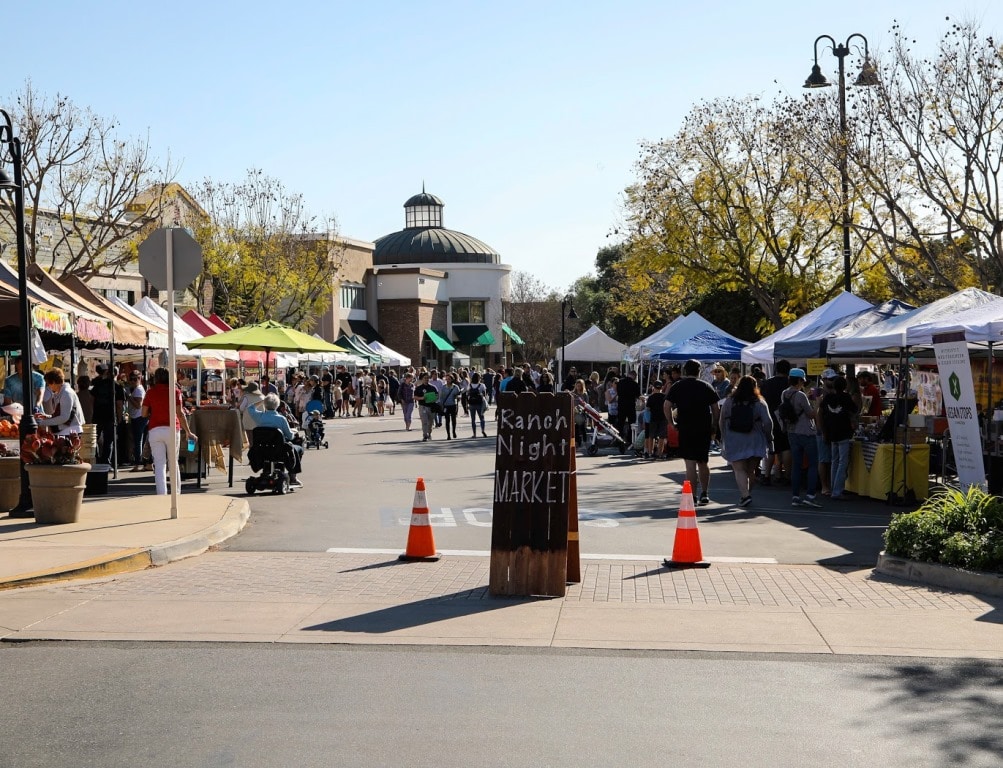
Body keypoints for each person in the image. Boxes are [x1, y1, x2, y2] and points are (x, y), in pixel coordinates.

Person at [666, 359, 720, 505]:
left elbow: (667, 405)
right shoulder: (706, 386)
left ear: (685, 371)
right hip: (703, 427)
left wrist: (672, 422)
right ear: (699, 371)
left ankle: (692, 495)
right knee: (703, 461)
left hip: (685, 427)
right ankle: (704, 493)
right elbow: (715, 407)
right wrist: (714, 424)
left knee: (690, 464)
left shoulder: (677, 386)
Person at [719, 375, 773, 507]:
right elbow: (767, 422)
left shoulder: (730, 401)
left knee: (739, 469)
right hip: (755, 440)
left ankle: (745, 495)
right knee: (751, 471)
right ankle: (747, 493)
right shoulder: (759, 402)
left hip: (735, 439)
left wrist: (723, 436)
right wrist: (769, 437)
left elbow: (722, 420)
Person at [141, 367, 197, 496]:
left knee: (159, 464)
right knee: (173, 462)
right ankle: (176, 494)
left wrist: (153, 411)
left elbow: (143, 413)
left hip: (155, 429)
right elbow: (180, 413)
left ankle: (162, 494)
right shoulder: (175, 391)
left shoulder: (150, 392)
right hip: (172, 429)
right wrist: (188, 431)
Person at [245, 393, 304, 488]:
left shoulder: (259, 417)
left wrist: (262, 401)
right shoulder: (281, 419)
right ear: (277, 405)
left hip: (262, 451)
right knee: (298, 448)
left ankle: (267, 470)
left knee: (277, 448)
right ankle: (293, 476)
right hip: (279, 451)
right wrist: (294, 431)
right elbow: (290, 436)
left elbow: (250, 408)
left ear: (265, 404)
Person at [782, 368, 822, 508]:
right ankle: (810, 495)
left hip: (792, 432)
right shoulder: (800, 395)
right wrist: (817, 403)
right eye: (803, 380)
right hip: (806, 432)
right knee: (812, 464)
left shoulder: (785, 394)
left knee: (796, 465)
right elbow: (811, 414)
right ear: (799, 380)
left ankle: (795, 496)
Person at [820, 374, 858, 500]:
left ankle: (833, 488)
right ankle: (837, 490)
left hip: (831, 432)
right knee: (843, 462)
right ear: (845, 386)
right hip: (843, 432)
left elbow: (822, 413)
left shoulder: (828, 398)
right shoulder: (846, 397)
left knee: (834, 461)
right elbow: (855, 409)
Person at [760, 359, 793, 486]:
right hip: (785, 419)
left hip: (770, 417)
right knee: (786, 447)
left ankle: (767, 475)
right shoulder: (789, 384)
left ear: (776, 369)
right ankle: (786, 476)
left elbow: (761, 400)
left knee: (771, 448)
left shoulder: (767, 383)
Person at [90, 364, 125, 465]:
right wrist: (119, 417)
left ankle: (95, 459)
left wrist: (93, 412)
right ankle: (106, 462)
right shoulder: (117, 387)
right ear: (116, 374)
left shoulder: (98, 384)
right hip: (110, 416)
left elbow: (91, 400)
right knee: (108, 441)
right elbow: (119, 405)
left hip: (97, 415)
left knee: (94, 439)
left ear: (107, 373)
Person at [37, 369, 85, 436]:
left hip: (70, 432)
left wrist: (43, 422)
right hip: (67, 431)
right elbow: (62, 414)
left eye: (48, 384)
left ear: (53, 382)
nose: (49, 387)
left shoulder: (66, 393)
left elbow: (64, 417)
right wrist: (47, 417)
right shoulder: (63, 392)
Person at [127, 371, 148, 472]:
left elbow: (138, 405)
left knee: (138, 440)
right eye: (132, 379)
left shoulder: (139, 390)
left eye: (136, 379)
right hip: (138, 417)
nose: (134, 381)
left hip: (139, 417)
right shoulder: (137, 389)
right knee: (140, 440)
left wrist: (129, 397)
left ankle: (138, 463)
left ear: (140, 379)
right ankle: (142, 462)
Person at [644, 380, 668, 460]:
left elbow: (647, 409)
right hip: (663, 418)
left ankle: (650, 452)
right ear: (662, 387)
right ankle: (660, 453)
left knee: (651, 436)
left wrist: (646, 420)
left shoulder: (651, 397)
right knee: (662, 436)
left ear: (653, 387)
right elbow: (667, 407)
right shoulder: (665, 396)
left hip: (653, 418)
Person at [615, 370, 641, 442]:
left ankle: (619, 439)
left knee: (620, 423)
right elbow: (638, 395)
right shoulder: (635, 384)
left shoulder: (620, 382)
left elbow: (618, 392)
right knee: (631, 423)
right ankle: (630, 439)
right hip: (630, 406)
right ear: (634, 376)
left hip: (621, 405)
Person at [238, 382, 265, 448]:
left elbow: (241, 408)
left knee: (251, 440)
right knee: (258, 440)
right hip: (260, 422)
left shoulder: (246, 397)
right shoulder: (262, 397)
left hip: (248, 422)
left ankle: (252, 452)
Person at [414, 373, 437, 441]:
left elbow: (437, 395)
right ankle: (425, 435)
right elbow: (415, 397)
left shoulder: (432, 387)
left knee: (430, 422)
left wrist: (433, 398)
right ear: (422, 379)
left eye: (427, 378)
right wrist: (422, 398)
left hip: (431, 406)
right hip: (422, 406)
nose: (426, 379)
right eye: (425, 378)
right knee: (424, 421)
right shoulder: (419, 388)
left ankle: (429, 433)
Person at [437, 373, 461, 439]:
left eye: (449, 379)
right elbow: (441, 397)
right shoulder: (443, 387)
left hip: (453, 405)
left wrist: (458, 397)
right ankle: (448, 434)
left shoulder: (455, 387)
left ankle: (453, 431)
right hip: (446, 405)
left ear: (452, 379)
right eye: (446, 379)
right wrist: (441, 405)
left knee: (453, 419)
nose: (448, 380)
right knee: (447, 420)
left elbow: (459, 395)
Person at [467, 371, 488, 437]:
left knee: (473, 419)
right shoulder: (482, 385)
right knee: (481, 417)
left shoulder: (470, 385)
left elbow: (467, 394)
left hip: (472, 404)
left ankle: (474, 433)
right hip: (479, 403)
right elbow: (484, 394)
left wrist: (467, 403)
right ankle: (483, 430)